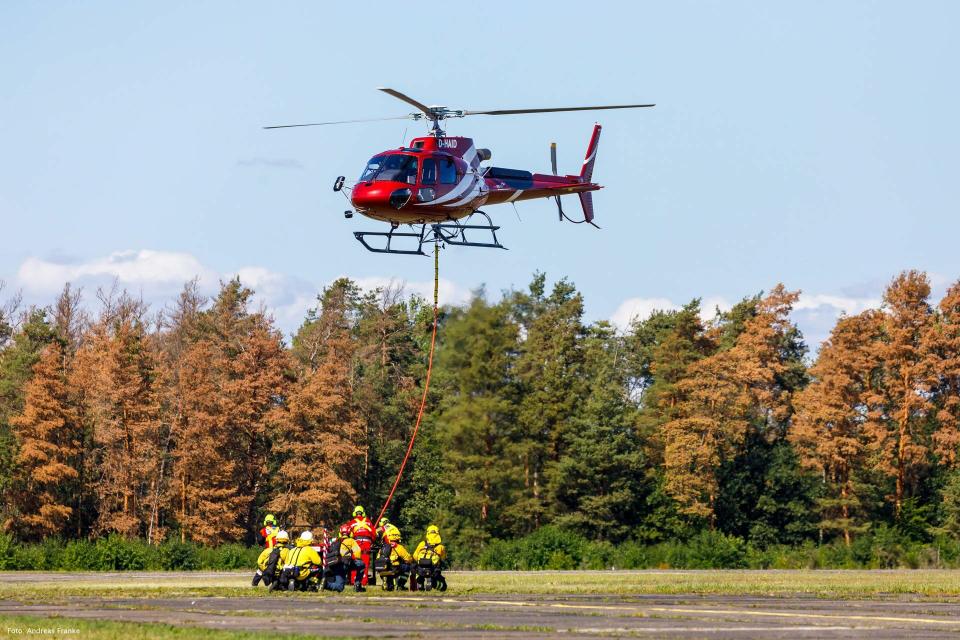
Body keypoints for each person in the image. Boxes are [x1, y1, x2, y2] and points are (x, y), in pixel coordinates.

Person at [377, 525, 413, 591]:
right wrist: (410, 560)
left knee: (390, 587)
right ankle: (400, 585)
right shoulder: (398, 547)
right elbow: (408, 559)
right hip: (394, 568)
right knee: (407, 567)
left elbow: (378, 558)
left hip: (382, 569)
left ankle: (388, 584)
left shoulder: (383, 547)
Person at [412, 524, 447, 591]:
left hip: (420, 568)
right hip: (433, 569)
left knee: (416, 570)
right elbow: (443, 559)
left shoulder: (422, 543)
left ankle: (420, 583)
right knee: (443, 586)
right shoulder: (441, 547)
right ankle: (434, 584)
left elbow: (415, 556)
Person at [346, 506, 375, 585]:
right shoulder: (368, 522)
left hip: (356, 543)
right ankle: (364, 581)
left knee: (355, 562)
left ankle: (353, 580)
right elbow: (374, 534)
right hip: (367, 544)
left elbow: (346, 533)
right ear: (363, 513)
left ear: (355, 513)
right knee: (365, 563)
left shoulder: (352, 522)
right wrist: (372, 541)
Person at [338, 524, 367, 592]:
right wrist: (357, 559)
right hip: (345, 563)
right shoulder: (351, 540)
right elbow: (357, 551)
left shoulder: (336, 541)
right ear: (350, 533)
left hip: (336, 564)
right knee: (361, 565)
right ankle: (357, 585)